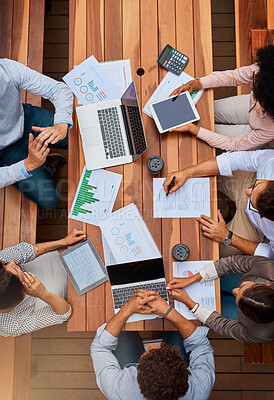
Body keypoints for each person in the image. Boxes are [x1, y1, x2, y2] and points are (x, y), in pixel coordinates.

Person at [90, 289, 215, 400]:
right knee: (182, 329)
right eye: (159, 349)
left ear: (138, 376)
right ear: (184, 370)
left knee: (119, 329)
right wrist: (168, 311)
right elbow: (200, 345)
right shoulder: (200, 389)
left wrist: (128, 308)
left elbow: (100, 348)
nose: (151, 346)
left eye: (149, 353)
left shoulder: (118, 390)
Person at [163, 149, 274, 258]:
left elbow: (269, 254)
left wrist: (229, 237)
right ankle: (224, 209)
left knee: (205, 249)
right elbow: (232, 160)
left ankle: (227, 210)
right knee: (200, 169)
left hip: (255, 228)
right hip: (247, 180)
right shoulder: (271, 162)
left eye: (253, 205)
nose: (247, 193)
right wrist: (187, 173)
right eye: (256, 187)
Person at [170, 45, 274, 152]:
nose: (251, 88)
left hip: (263, 133)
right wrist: (198, 83)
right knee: (205, 111)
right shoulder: (267, 69)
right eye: (254, 81)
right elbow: (234, 76)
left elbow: (233, 144)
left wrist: (193, 129)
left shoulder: (270, 129)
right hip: (251, 108)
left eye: (256, 90)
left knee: (207, 129)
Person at [0, 58, 73, 209]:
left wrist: (61, 123)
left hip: (27, 121)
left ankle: (43, 157)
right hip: (5, 154)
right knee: (49, 201)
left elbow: (58, 89)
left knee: (83, 137)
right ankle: (45, 164)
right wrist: (28, 165)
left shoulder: (5, 68)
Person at [167, 255, 274, 343]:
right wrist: (192, 279)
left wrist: (191, 304)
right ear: (266, 285)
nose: (234, 291)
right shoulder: (268, 268)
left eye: (237, 300)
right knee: (218, 280)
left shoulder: (261, 333)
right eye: (242, 287)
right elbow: (231, 263)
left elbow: (223, 326)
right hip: (249, 276)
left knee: (217, 308)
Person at [0, 228, 86, 337]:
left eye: (5, 265)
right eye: (15, 271)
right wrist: (43, 294)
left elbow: (25, 251)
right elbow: (63, 313)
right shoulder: (11, 325)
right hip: (45, 296)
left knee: (80, 252)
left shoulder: (2, 264)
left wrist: (64, 241)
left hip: (41, 267)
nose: (11, 262)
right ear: (21, 291)